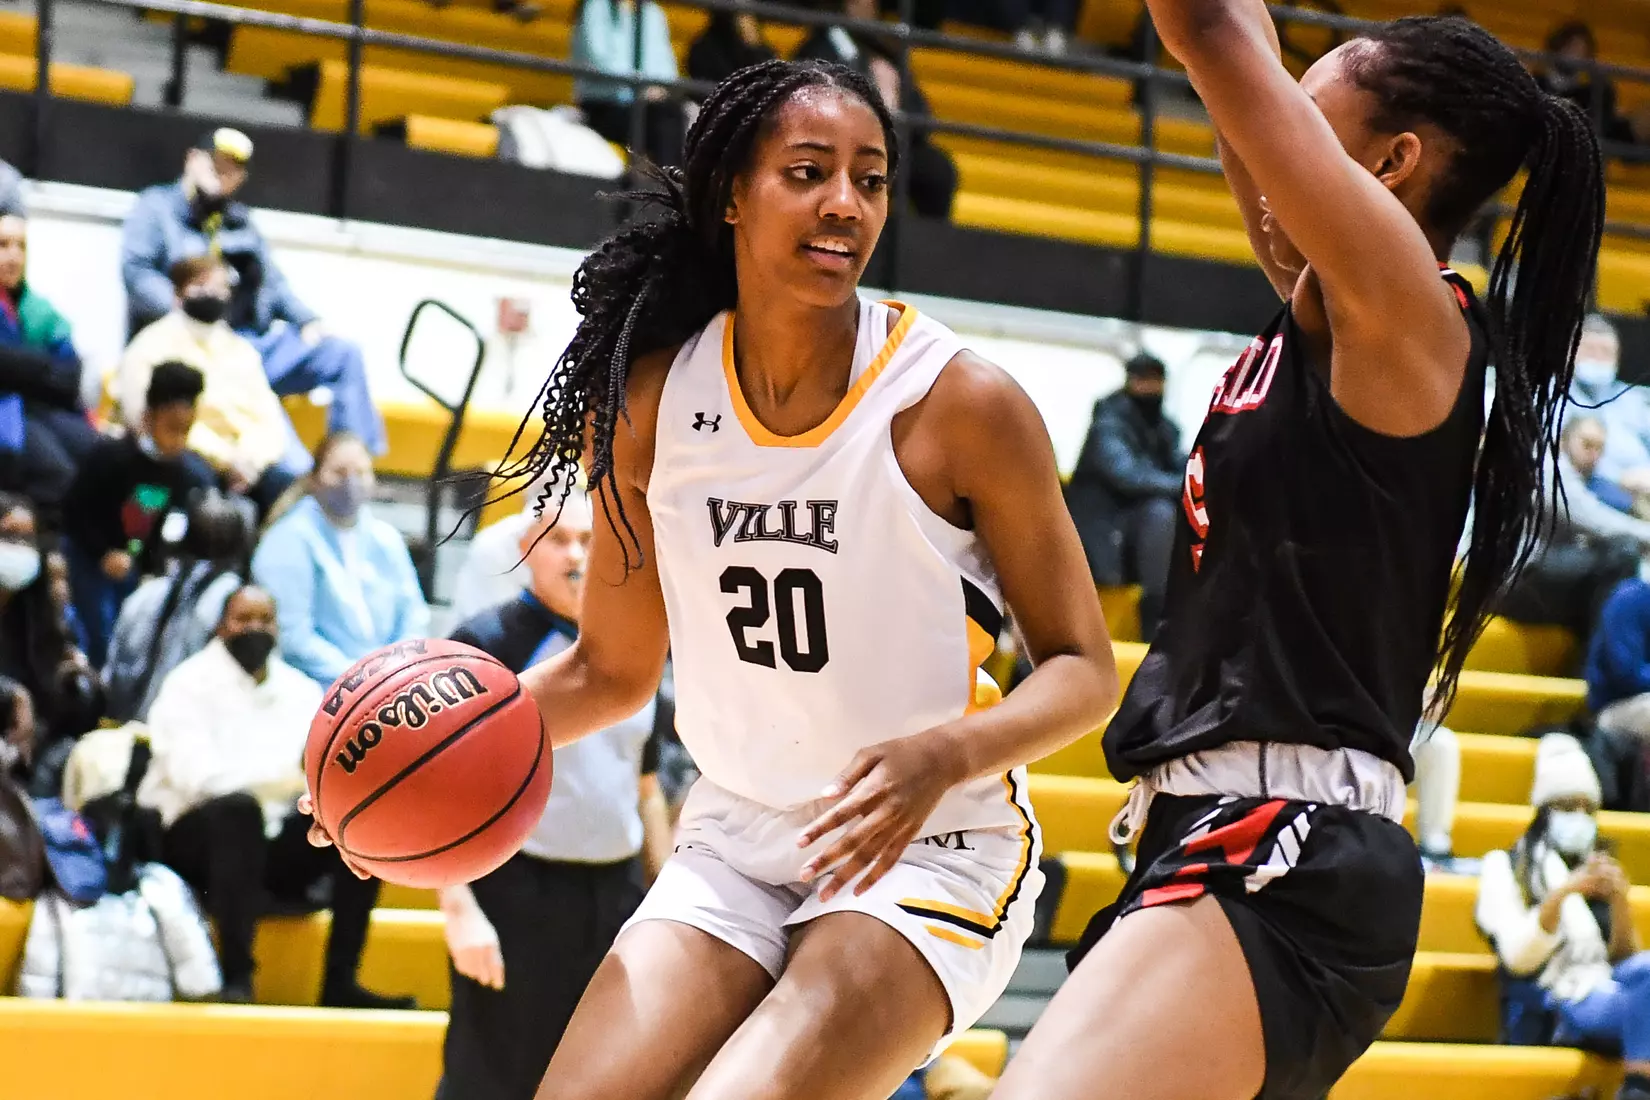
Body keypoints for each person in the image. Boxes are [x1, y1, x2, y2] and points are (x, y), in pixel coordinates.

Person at [307, 59, 1116, 1099]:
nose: (844, 203)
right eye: (809, 171)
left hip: (929, 844)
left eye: (870, 180)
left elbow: (1085, 669)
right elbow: (610, 671)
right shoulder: (651, 400)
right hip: (737, 837)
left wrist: (939, 755)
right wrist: (390, 776)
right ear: (731, 193)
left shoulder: (959, 403)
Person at [982, 7, 1606, 1100]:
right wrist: (1240, 54)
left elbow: (1216, 46)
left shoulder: (1405, 314)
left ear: (1390, 163)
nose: (1276, 133)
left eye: (1304, 116)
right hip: (1224, 832)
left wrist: (1230, 47)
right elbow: (1232, 71)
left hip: (1287, 846)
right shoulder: (1328, 316)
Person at [435, 491, 672, 1100]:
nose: (574, 555)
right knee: (489, 1082)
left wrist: (665, 896)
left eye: (588, 542)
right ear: (524, 551)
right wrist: (460, 912)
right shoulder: (485, 644)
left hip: (614, 894)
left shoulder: (633, 651)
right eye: (558, 540)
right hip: (517, 893)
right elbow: (435, 789)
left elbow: (644, 788)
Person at [139, 584, 411, 1008]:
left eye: (265, 620)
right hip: (196, 844)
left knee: (357, 820)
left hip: (270, 846)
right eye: (243, 619)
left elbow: (319, 779)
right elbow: (200, 778)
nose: (255, 629)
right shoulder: (187, 684)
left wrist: (300, 783)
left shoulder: (301, 691)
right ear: (221, 625)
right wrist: (288, 776)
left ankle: (340, 982)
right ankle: (236, 978)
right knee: (237, 810)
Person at [119, 129, 386, 457]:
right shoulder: (156, 208)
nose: (222, 173)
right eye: (215, 163)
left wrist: (307, 320)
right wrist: (182, 309)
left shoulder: (241, 222)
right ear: (192, 159)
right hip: (196, 348)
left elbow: (273, 284)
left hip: (251, 346)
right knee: (289, 462)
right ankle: (306, 477)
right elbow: (136, 272)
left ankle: (352, 461)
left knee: (342, 352)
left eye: (232, 168)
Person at [1476, 733, 1650, 1100]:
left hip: (1608, 987)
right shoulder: (1508, 866)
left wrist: (1620, 901)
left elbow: (1627, 961)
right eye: (1568, 806)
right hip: (1559, 995)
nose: (1580, 817)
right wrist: (1563, 894)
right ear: (1544, 810)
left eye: (1588, 808)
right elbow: (1517, 959)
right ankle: (1636, 1088)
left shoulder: (1596, 862)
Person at [118, 255, 305, 518]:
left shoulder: (241, 350)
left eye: (219, 288)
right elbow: (152, 421)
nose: (211, 294)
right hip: (187, 454)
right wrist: (226, 459)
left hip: (245, 462)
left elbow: (267, 416)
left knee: (288, 488)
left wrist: (252, 459)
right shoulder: (150, 346)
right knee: (198, 485)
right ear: (178, 293)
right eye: (201, 285)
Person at [62, 362, 217, 666]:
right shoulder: (110, 457)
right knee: (97, 632)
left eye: (185, 431)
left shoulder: (187, 474)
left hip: (133, 565)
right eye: (171, 429)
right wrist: (103, 552)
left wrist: (150, 566)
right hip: (90, 557)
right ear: (149, 417)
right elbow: (75, 511)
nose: (178, 440)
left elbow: (168, 528)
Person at [252, 431, 429, 689]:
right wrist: (361, 680)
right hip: (316, 689)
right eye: (339, 472)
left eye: (360, 472)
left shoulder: (385, 538)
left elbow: (414, 615)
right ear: (315, 479)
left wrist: (398, 670)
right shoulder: (288, 540)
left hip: (391, 683)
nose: (351, 482)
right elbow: (294, 638)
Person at [795, 0, 958, 220]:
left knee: (937, 170)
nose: (868, 7)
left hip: (891, 144)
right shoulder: (816, 48)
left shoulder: (883, 52)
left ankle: (930, 248)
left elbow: (922, 115)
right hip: (840, 143)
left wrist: (894, 99)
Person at [1062, 352, 1184, 642]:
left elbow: (1181, 465)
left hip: (1130, 533)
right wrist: (1184, 485)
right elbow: (1127, 476)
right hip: (1102, 535)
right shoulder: (1109, 424)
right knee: (1161, 514)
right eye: (1145, 381)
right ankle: (1157, 621)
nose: (1150, 388)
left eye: (1156, 381)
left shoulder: (1164, 428)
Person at [103, 489, 251, 723]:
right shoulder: (234, 601)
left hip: (126, 724)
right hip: (180, 733)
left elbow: (112, 677)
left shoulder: (144, 595)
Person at [1497, 413, 1648, 638]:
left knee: (1619, 562)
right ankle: (1600, 661)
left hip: (1541, 575)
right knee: (1621, 553)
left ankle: (1595, 653)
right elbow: (1596, 521)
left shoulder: (1583, 479)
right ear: (1564, 439)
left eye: (1599, 448)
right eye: (1587, 444)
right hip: (1515, 580)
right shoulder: (1547, 468)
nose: (1593, 455)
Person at [0, 493, 101, 793]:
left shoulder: (40, 617)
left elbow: (55, 709)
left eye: (26, 539)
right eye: (7, 536)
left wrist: (76, 682)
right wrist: (10, 693)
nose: (17, 548)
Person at [0, 212, 97, 518]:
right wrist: (40, 372)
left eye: (21, 246)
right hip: (8, 413)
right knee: (59, 474)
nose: (14, 256)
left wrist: (24, 370)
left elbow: (72, 374)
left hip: (41, 409)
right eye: (3, 245)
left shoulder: (39, 310)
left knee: (98, 455)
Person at [572, 0, 686, 168]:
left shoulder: (652, 12)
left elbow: (667, 68)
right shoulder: (596, 6)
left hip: (648, 105)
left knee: (672, 115)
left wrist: (653, 89)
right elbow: (598, 60)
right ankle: (669, 184)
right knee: (663, 120)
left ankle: (670, 184)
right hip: (604, 104)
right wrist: (641, 88)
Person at [1538, 21, 1643, 147]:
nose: (1576, 56)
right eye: (1572, 48)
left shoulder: (1593, 93)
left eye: (1582, 51)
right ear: (1558, 47)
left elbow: (1605, 130)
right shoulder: (1536, 82)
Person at [686, 10, 778, 89]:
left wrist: (754, 46)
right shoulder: (704, 48)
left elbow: (774, 80)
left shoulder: (757, 45)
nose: (747, 21)